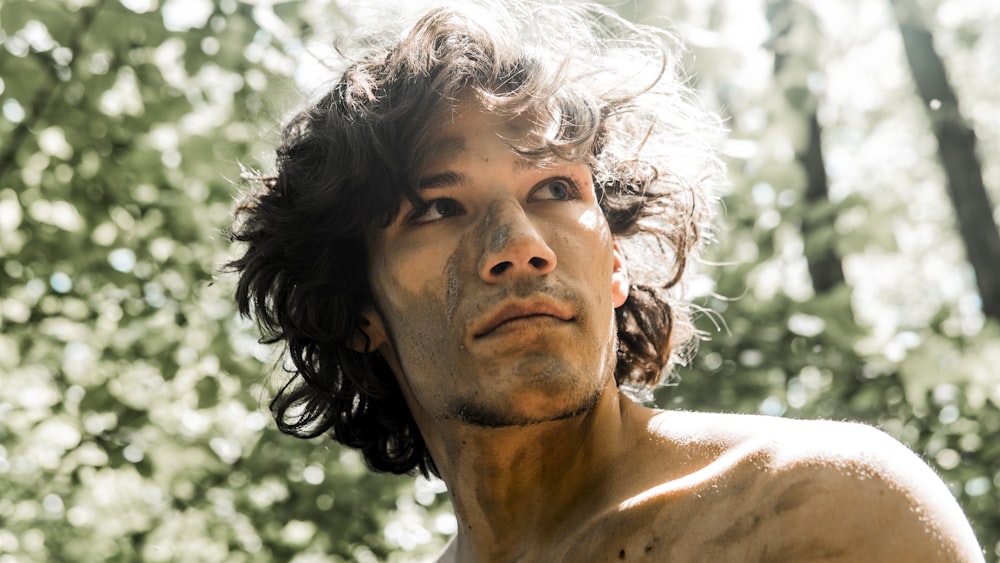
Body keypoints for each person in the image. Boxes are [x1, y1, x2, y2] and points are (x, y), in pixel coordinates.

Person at [228, 1, 984, 561]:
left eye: (555, 190)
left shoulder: (820, 507)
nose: (518, 247)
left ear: (615, 260)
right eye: (437, 207)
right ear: (358, 302)